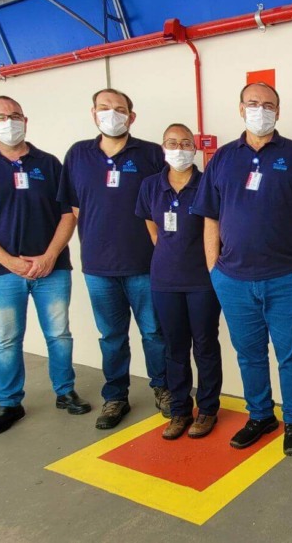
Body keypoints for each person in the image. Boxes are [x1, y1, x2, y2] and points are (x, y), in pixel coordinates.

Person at [193, 82, 292, 456]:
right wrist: (213, 270)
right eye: (253, 103)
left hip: (288, 278)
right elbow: (210, 219)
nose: (260, 110)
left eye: (268, 105)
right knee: (248, 354)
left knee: (291, 355)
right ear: (240, 109)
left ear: (279, 112)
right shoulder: (221, 159)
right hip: (232, 280)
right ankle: (261, 415)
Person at [0, 96, 89, 437]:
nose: (8, 121)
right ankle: (10, 403)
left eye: (14, 115)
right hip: (3, 273)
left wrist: (48, 256)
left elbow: (66, 216)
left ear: (25, 120)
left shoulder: (49, 163)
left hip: (52, 269)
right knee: (7, 340)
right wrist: (8, 261)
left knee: (59, 334)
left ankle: (65, 391)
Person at [58, 88, 168, 430]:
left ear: (131, 117)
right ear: (93, 114)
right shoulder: (78, 154)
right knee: (111, 336)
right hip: (98, 268)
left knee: (154, 333)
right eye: (104, 108)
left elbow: (166, 202)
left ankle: (163, 389)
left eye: (119, 109)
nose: (112, 114)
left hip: (146, 265)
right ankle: (116, 396)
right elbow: (73, 208)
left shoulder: (151, 154)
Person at [136, 123, 222, 440]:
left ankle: (208, 409)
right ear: (163, 147)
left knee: (205, 346)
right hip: (164, 281)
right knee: (174, 348)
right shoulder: (150, 186)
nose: (179, 148)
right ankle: (180, 411)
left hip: (202, 280)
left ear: (195, 148)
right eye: (172, 142)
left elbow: (216, 229)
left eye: (185, 142)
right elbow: (153, 228)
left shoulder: (207, 184)